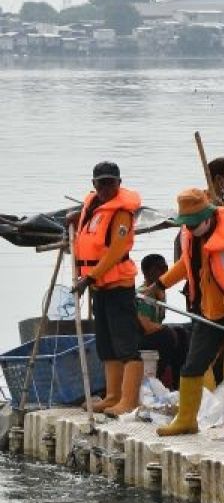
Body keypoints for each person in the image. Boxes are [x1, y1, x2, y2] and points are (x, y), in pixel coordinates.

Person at [148, 189, 224, 445]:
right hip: (210, 313)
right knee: (193, 365)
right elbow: (185, 265)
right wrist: (160, 283)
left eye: (194, 224)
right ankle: (186, 420)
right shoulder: (191, 238)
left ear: (208, 217)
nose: (191, 229)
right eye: (187, 225)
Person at [71, 161, 143, 417]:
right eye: (101, 183)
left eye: (110, 182)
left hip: (117, 284)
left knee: (125, 344)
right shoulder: (92, 205)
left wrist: (88, 279)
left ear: (119, 183)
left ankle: (129, 400)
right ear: (94, 184)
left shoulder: (122, 213)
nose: (105, 188)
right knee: (105, 342)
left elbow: (116, 251)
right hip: (99, 286)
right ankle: (112, 395)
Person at [136, 254, 188, 390]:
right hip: (136, 338)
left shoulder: (160, 293)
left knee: (181, 333)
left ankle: (178, 384)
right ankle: (155, 380)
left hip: (151, 335)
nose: (165, 272)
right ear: (148, 273)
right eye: (160, 269)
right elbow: (145, 325)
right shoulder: (144, 294)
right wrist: (166, 330)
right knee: (167, 335)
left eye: (166, 268)